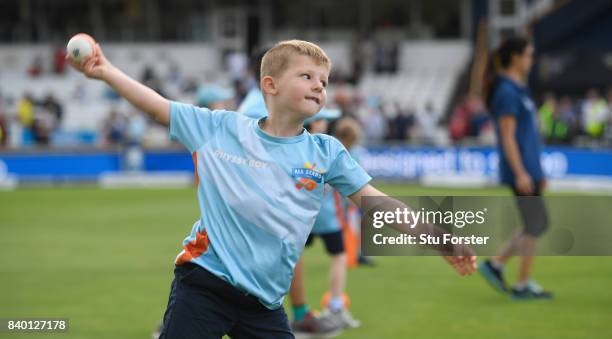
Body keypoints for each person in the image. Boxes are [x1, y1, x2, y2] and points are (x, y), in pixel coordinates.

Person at [69, 39, 476, 338]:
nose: (319, 86)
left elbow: (378, 203)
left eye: (324, 80)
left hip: (264, 305)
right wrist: (106, 71)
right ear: (271, 85)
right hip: (203, 284)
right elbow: (157, 105)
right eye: (307, 76)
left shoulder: (326, 152)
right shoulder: (221, 128)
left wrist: (440, 239)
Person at [480, 36, 553, 300]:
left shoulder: (518, 89)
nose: (532, 61)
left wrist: (538, 172)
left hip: (529, 169)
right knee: (536, 222)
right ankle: (519, 282)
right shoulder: (507, 92)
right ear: (515, 57)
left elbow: (529, 135)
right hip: (519, 170)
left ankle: (498, 265)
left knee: (535, 222)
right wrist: (521, 172)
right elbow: (508, 136)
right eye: (529, 55)